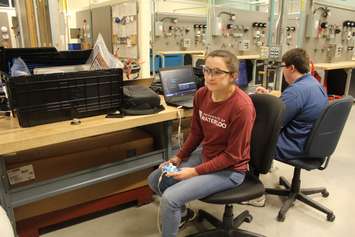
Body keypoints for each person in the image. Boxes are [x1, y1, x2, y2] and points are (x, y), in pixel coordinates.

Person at [148, 50, 256, 237]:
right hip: (206, 156)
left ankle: (174, 213)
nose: (209, 76)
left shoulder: (242, 107)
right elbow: (197, 133)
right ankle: (182, 213)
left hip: (230, 170)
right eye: (206, 70)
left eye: (217, 72)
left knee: (170, 198)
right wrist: (179, 157)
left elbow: (233, 156)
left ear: (233, 76)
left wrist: (194, 171)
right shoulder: (201, 95)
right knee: (156, 179)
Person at [256, 48, 328, 161]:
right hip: (311, 142)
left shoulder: (295, 91)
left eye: (283, 67)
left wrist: (259, 107)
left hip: (293, 145)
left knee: (250, 134)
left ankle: (250, 175)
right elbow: (291, 105)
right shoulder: (315, 84)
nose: (283, 70)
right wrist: (270, 98)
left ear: (291, 68)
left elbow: (275, 122)